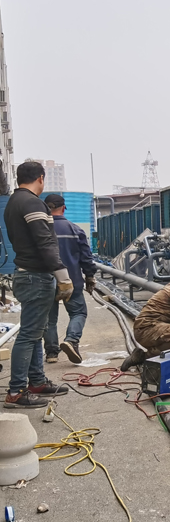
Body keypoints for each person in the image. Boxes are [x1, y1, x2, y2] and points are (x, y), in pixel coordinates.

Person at [3, 162, 72, 408]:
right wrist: (63, 276)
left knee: (34, 333)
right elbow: (45, 242)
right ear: (41, 178)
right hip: (36, 276)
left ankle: (37, 382)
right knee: (29, 335)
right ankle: (16, 392)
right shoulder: (32, 203)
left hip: (27, 274)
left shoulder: (14, 202)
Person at [43, 194, 97, 364]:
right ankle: (72, 340)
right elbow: (86, 258)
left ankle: (51, 353)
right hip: (72, 281)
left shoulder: (41, 230)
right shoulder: (75, 230)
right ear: (64, 208)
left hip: (46, 281)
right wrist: (89, 276)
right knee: (78, 312)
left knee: (49, 318)